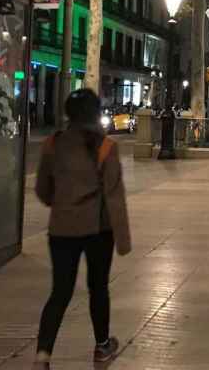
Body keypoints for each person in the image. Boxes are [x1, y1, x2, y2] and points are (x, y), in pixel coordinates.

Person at [34, 89, 131, 369]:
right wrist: (123, 240)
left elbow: (43, 190)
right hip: (98, 230)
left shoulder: (53, 144)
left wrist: (63, 205)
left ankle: (43, 354)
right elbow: (115, 198)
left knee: (60, 291)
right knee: (98, 288)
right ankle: (102, 347)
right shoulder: (106, 148)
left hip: (61, 230)